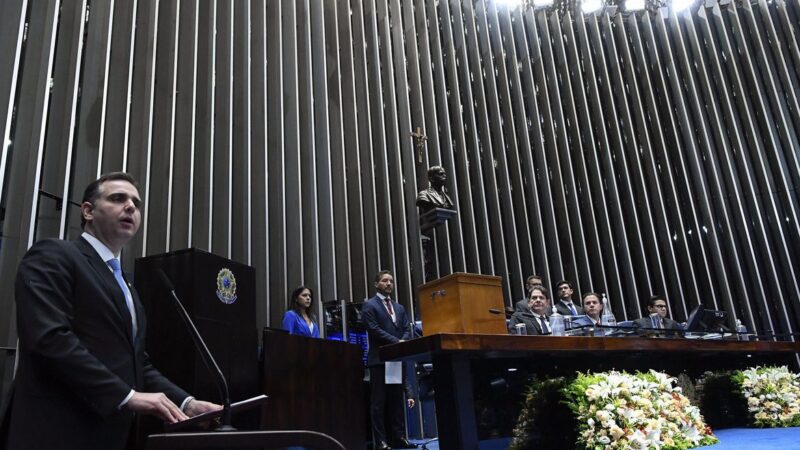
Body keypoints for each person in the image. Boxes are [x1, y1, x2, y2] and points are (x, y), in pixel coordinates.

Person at [5, 172, 220, 450]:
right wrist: (127, 396)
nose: (131, 206)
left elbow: (135, 363)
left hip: (108, 434)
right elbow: (50, 338)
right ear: (88, 211)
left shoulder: (126, 284)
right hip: (55, 429)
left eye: (136, 203)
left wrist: (186, 403)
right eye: (118, 198)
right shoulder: (54, 254)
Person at [362, 270, 417, 450]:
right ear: (376, 284)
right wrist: (396, 342)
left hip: (395, 359)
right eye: (385, 281)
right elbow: (374, 329)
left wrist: (403, 341)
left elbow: (407, 328)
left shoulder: (399, 307)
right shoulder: (369, 305)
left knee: (396, 401)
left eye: (391, 281)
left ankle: (399, 437)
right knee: (378, 403)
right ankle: (381, 442)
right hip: (379, 360)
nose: (389, 283)